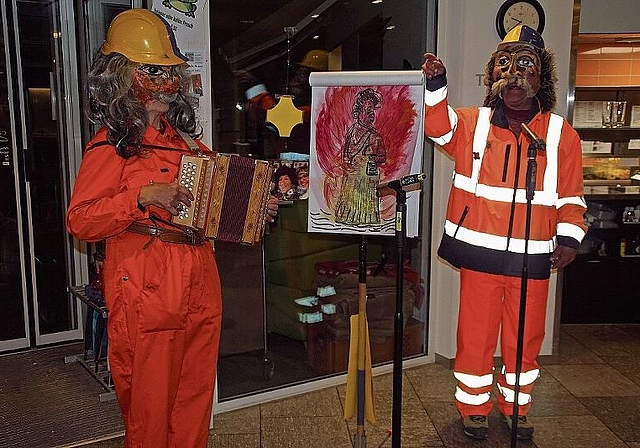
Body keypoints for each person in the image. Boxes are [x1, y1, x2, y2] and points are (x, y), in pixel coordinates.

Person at [66, 9, 278, 448]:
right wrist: (140, 198)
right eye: (151, 72)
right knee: (150, 404)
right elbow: (81, 220)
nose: (164, 84)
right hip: (146, 281)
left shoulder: (185, 142)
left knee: (193, 397)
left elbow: (214, 203)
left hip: (198, 273)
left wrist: (258, 205)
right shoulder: (111, 145)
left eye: (169, 73)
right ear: (121, 78)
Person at [421, 25, 587, 440]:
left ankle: (516, 407)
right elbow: (437, 127)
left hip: (533, 259)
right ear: (492, 73)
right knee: (474, 335)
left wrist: (569, 238)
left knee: (524, 339)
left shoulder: (560, 133)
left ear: (541, 78)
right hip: (479, 256)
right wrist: (437, 85)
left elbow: (571, 194)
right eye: (504, 63)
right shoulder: (472, 124)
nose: (512, 74)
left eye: (525, 65)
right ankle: (472, 408)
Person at [236, 49, 330, 157]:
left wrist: (256, 87)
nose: (297, 79)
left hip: (305, 161)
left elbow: (286, 117)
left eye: (305, 73)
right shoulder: (303, 101)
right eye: (300, 71)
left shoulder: (318, 107)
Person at [334, 88, 387, 225]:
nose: (371, 114)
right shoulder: (351, 132)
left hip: (365, 184)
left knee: (365, 219)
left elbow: (382, 157)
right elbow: (345, 154)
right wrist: (347, 164)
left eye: (373, 111)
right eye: (368, 110)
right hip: (350, 182)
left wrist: (369, 160)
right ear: (358, 112)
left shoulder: (375, 137)